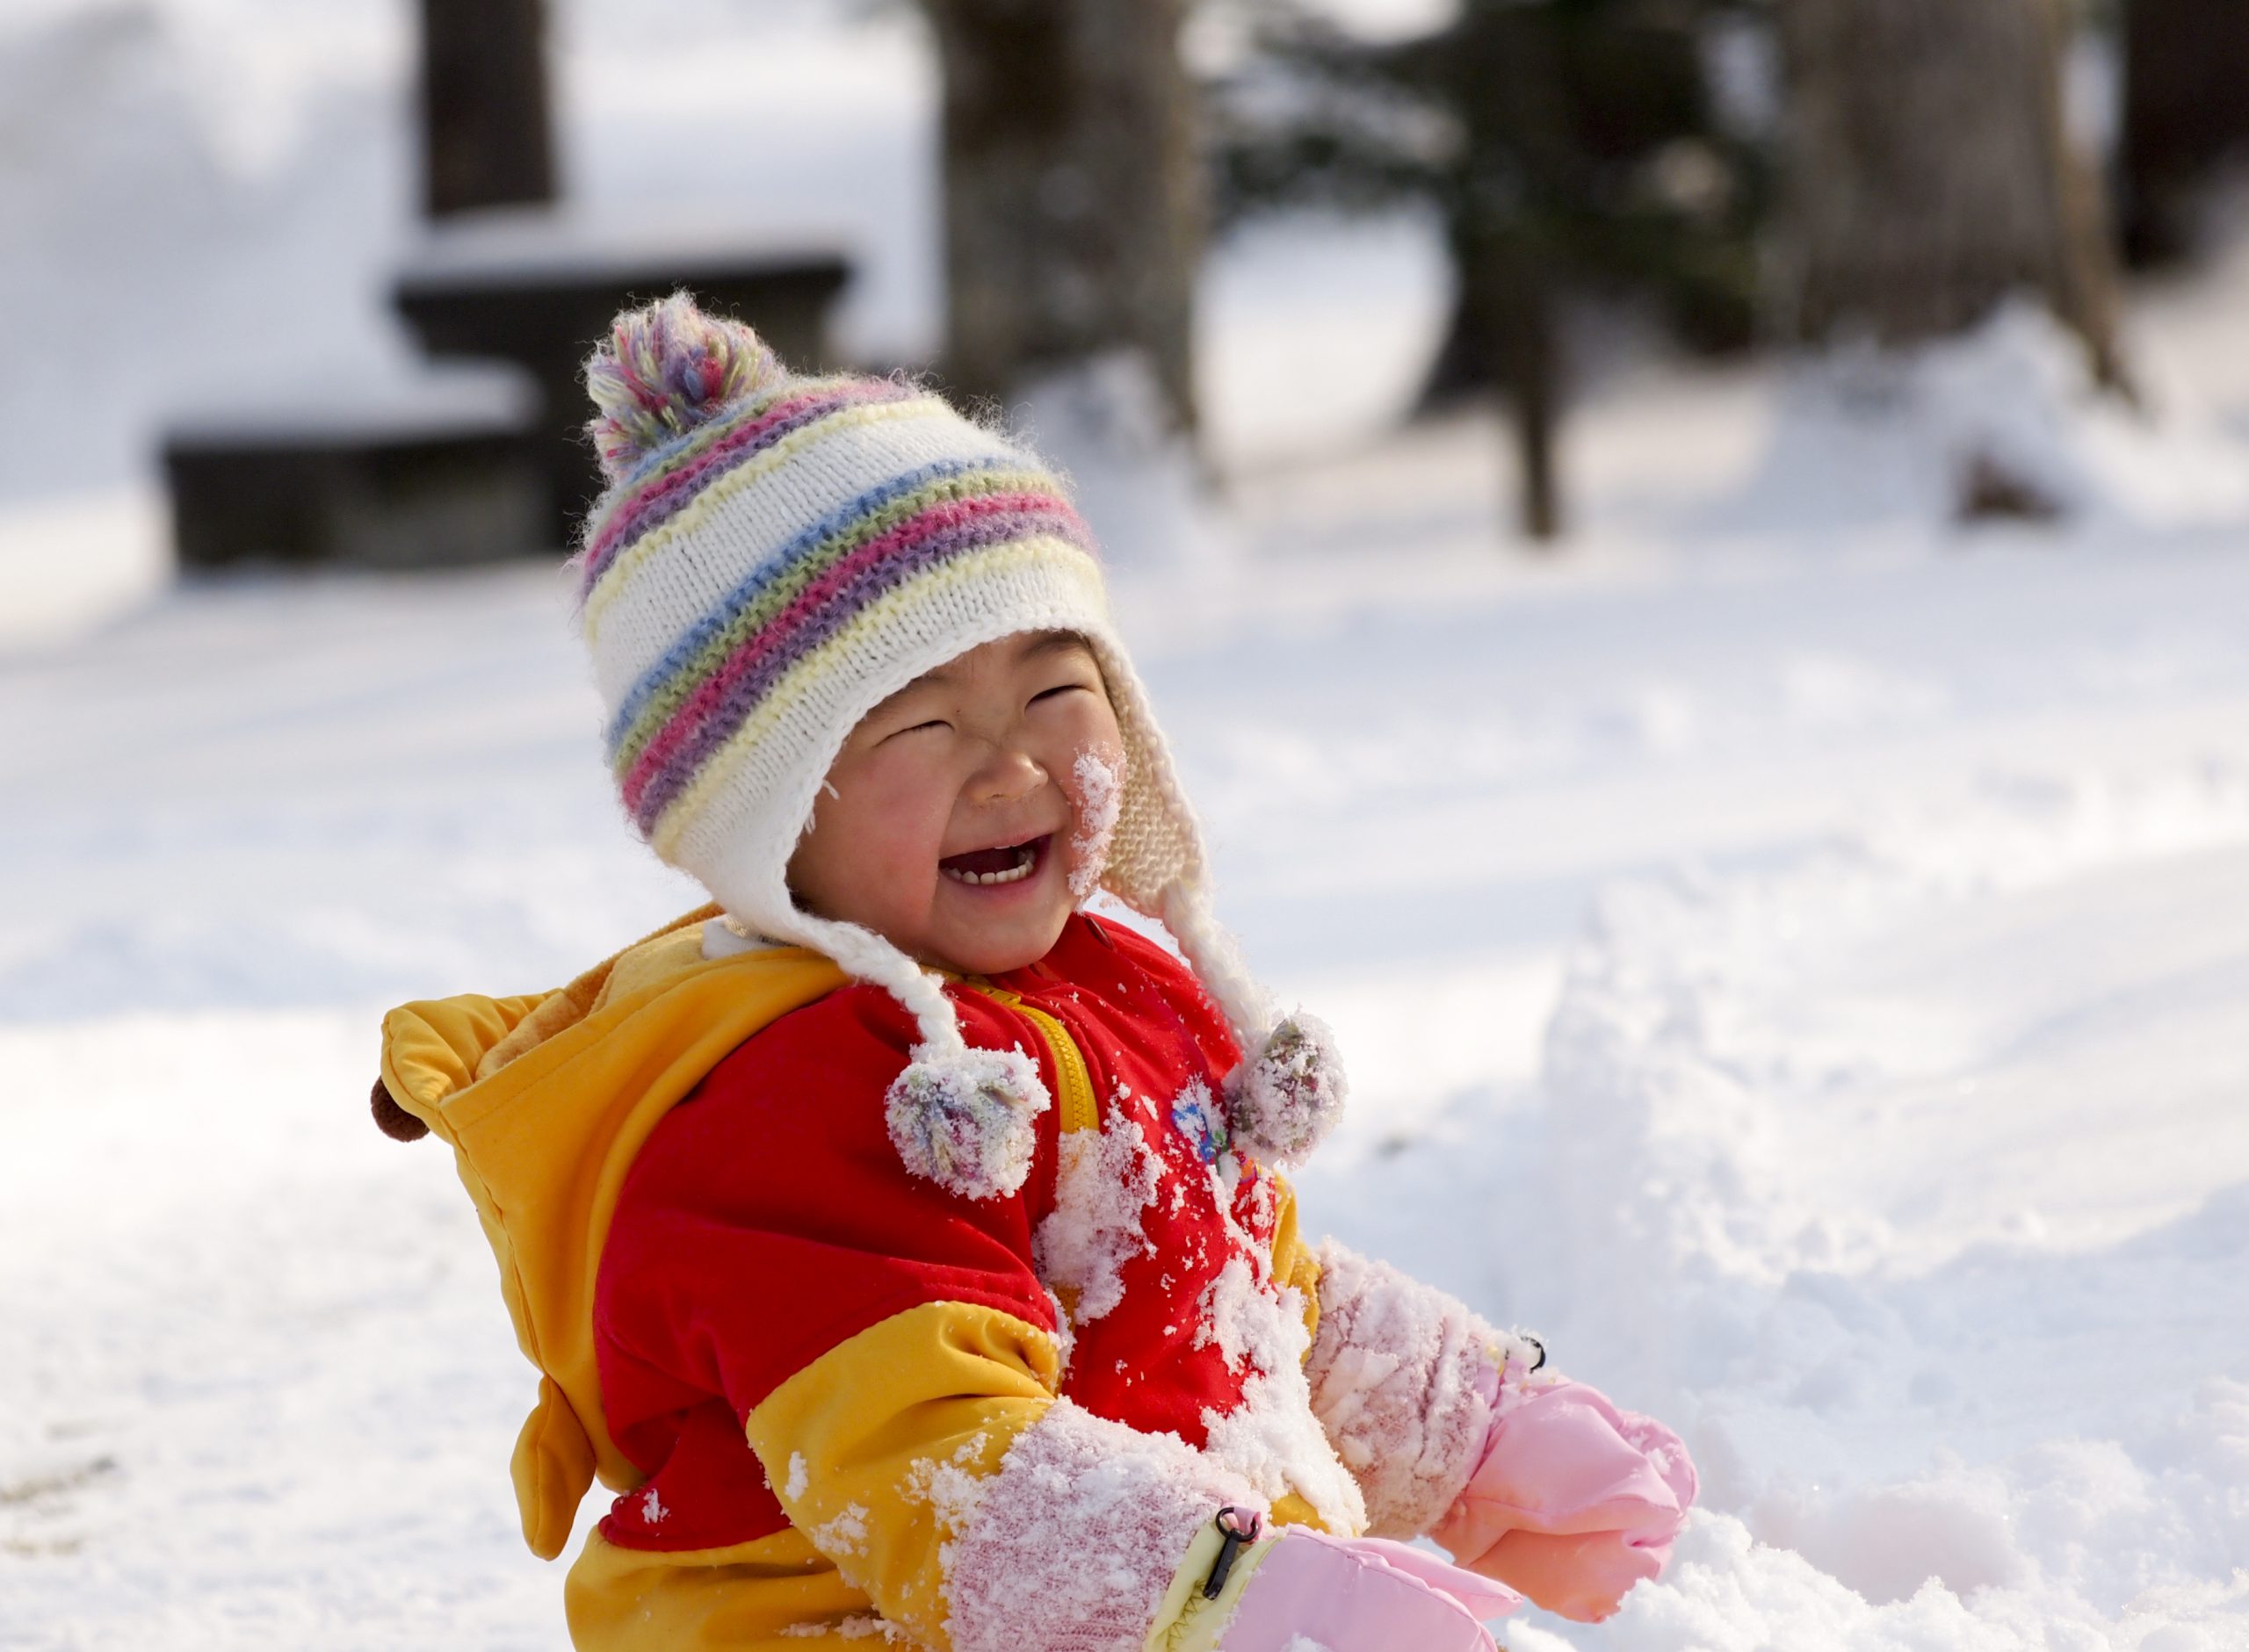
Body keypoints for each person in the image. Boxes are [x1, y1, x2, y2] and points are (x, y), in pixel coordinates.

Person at [372, 292, 1696, 1651]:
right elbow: (946, 1471)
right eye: (925, 722)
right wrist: (1239, 1601)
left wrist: (1478, 1431)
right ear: (767, 818)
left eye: (1054, 693)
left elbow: (1244, 1284)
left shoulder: (1112, 976)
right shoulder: (785, 1107)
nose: (1010, 768)